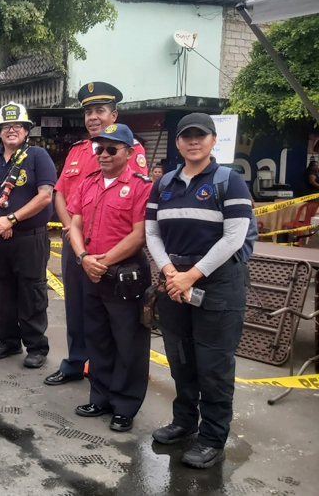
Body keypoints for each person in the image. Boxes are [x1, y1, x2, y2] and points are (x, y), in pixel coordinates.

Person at [145, 113, 253, 469]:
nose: (193, 141)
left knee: (214, 367)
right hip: (175, 281)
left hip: (218, 284)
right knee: (181, 359)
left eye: (201, 136)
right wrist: (170, 272)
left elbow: (234, 237)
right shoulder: (163, 185)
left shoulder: (229, 182)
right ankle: (184, 423)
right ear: (177, 143)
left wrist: (191, 275)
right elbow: (152, 233)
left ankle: (212, 438)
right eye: (187, 136)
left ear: (211, 141)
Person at [45, 81, 147, 387]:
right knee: (76, 307)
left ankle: (112, 373)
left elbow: (137, 203)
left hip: (114, 251)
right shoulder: (77, 151)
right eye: (88, 111)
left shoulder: (131, 149)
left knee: (115, 317)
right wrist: (68, 229)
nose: (92, 117)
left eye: (99, 110)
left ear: (113, 115)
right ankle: (76, 362)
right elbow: (60, 193)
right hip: (77, 246)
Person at [66, 123, 152, 433]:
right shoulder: (88, 183)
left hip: (125, 276)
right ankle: (99, 397)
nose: (102, 154)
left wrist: (103, 261)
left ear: (129, 153)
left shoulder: (142, 186)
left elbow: (140, 233)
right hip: (90, 271)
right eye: (98, 148)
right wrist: (84, 258)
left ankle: (125, 405)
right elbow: (74, 225)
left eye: (111, 149)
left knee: (129, 343)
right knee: (97, 338)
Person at [0, 102, 57, 368]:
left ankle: (36, 347)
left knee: (32, 291)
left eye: (17, 125)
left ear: (27, 129)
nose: (12, 130)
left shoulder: (38, 156)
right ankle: (8, 341)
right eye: (6, 126)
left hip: (29, 236)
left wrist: (12, 219)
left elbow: (45, 196)